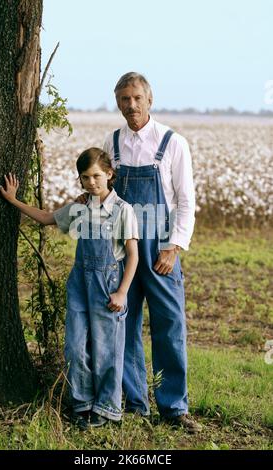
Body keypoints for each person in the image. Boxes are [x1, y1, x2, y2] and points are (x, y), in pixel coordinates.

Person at [0, 147, 139, 430]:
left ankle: (107, 407)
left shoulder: (123, 210)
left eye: (97, 176)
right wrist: (14, 201)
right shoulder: (80, 207)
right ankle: (82, 404)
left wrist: (122, 292)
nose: (91, 183)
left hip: (108, 285)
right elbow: (47, 218)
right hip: (79, 284)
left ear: (109, 174)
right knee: (75, 347)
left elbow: (133, 254)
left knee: (106, 349)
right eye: (85, 177)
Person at [103, 72, 202, 433]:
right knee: (123, 325)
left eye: (136, 98)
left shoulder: (173, 143)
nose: (130, 105)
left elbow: (187, 202)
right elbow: (106, 193)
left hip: (160, 249)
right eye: (124, 99)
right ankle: (134, 403)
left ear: (149, 100)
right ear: (118, 102)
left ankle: (174, 407)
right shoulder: (112, 142)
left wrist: (173, 247)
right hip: (122, 248)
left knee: (170, 326)